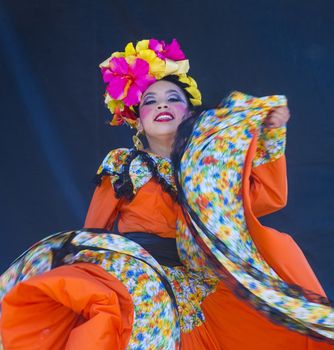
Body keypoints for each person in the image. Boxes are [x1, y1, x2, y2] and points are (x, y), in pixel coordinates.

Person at [0, 38, 333, 350]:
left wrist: (272, 131)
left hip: (195, 279)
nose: (163, 104)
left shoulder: (208, 167)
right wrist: (82, 270)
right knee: (117, 318)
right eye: (150, 101)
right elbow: (95, 234)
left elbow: (267, 197)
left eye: (174, 98)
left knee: (269, 327)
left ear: (188, 113)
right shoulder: (122, 164)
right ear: (138, 122)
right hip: (135, 272)